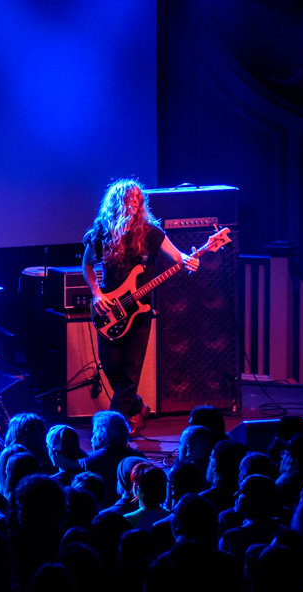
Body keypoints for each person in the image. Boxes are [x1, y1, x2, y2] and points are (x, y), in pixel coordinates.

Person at [82, 179, 199, 436]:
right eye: (129, 199)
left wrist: (191, 259)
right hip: (111, 310)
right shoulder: (101, 233)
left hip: (140, 313)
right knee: (110, 364)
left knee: (131, 370)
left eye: (138, 199)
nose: (134, 204)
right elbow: (87, 265)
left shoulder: (151, 233)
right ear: (116, 202)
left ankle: (108, 433)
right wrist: (96, 294)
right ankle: (136, 407)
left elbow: (178, 258)